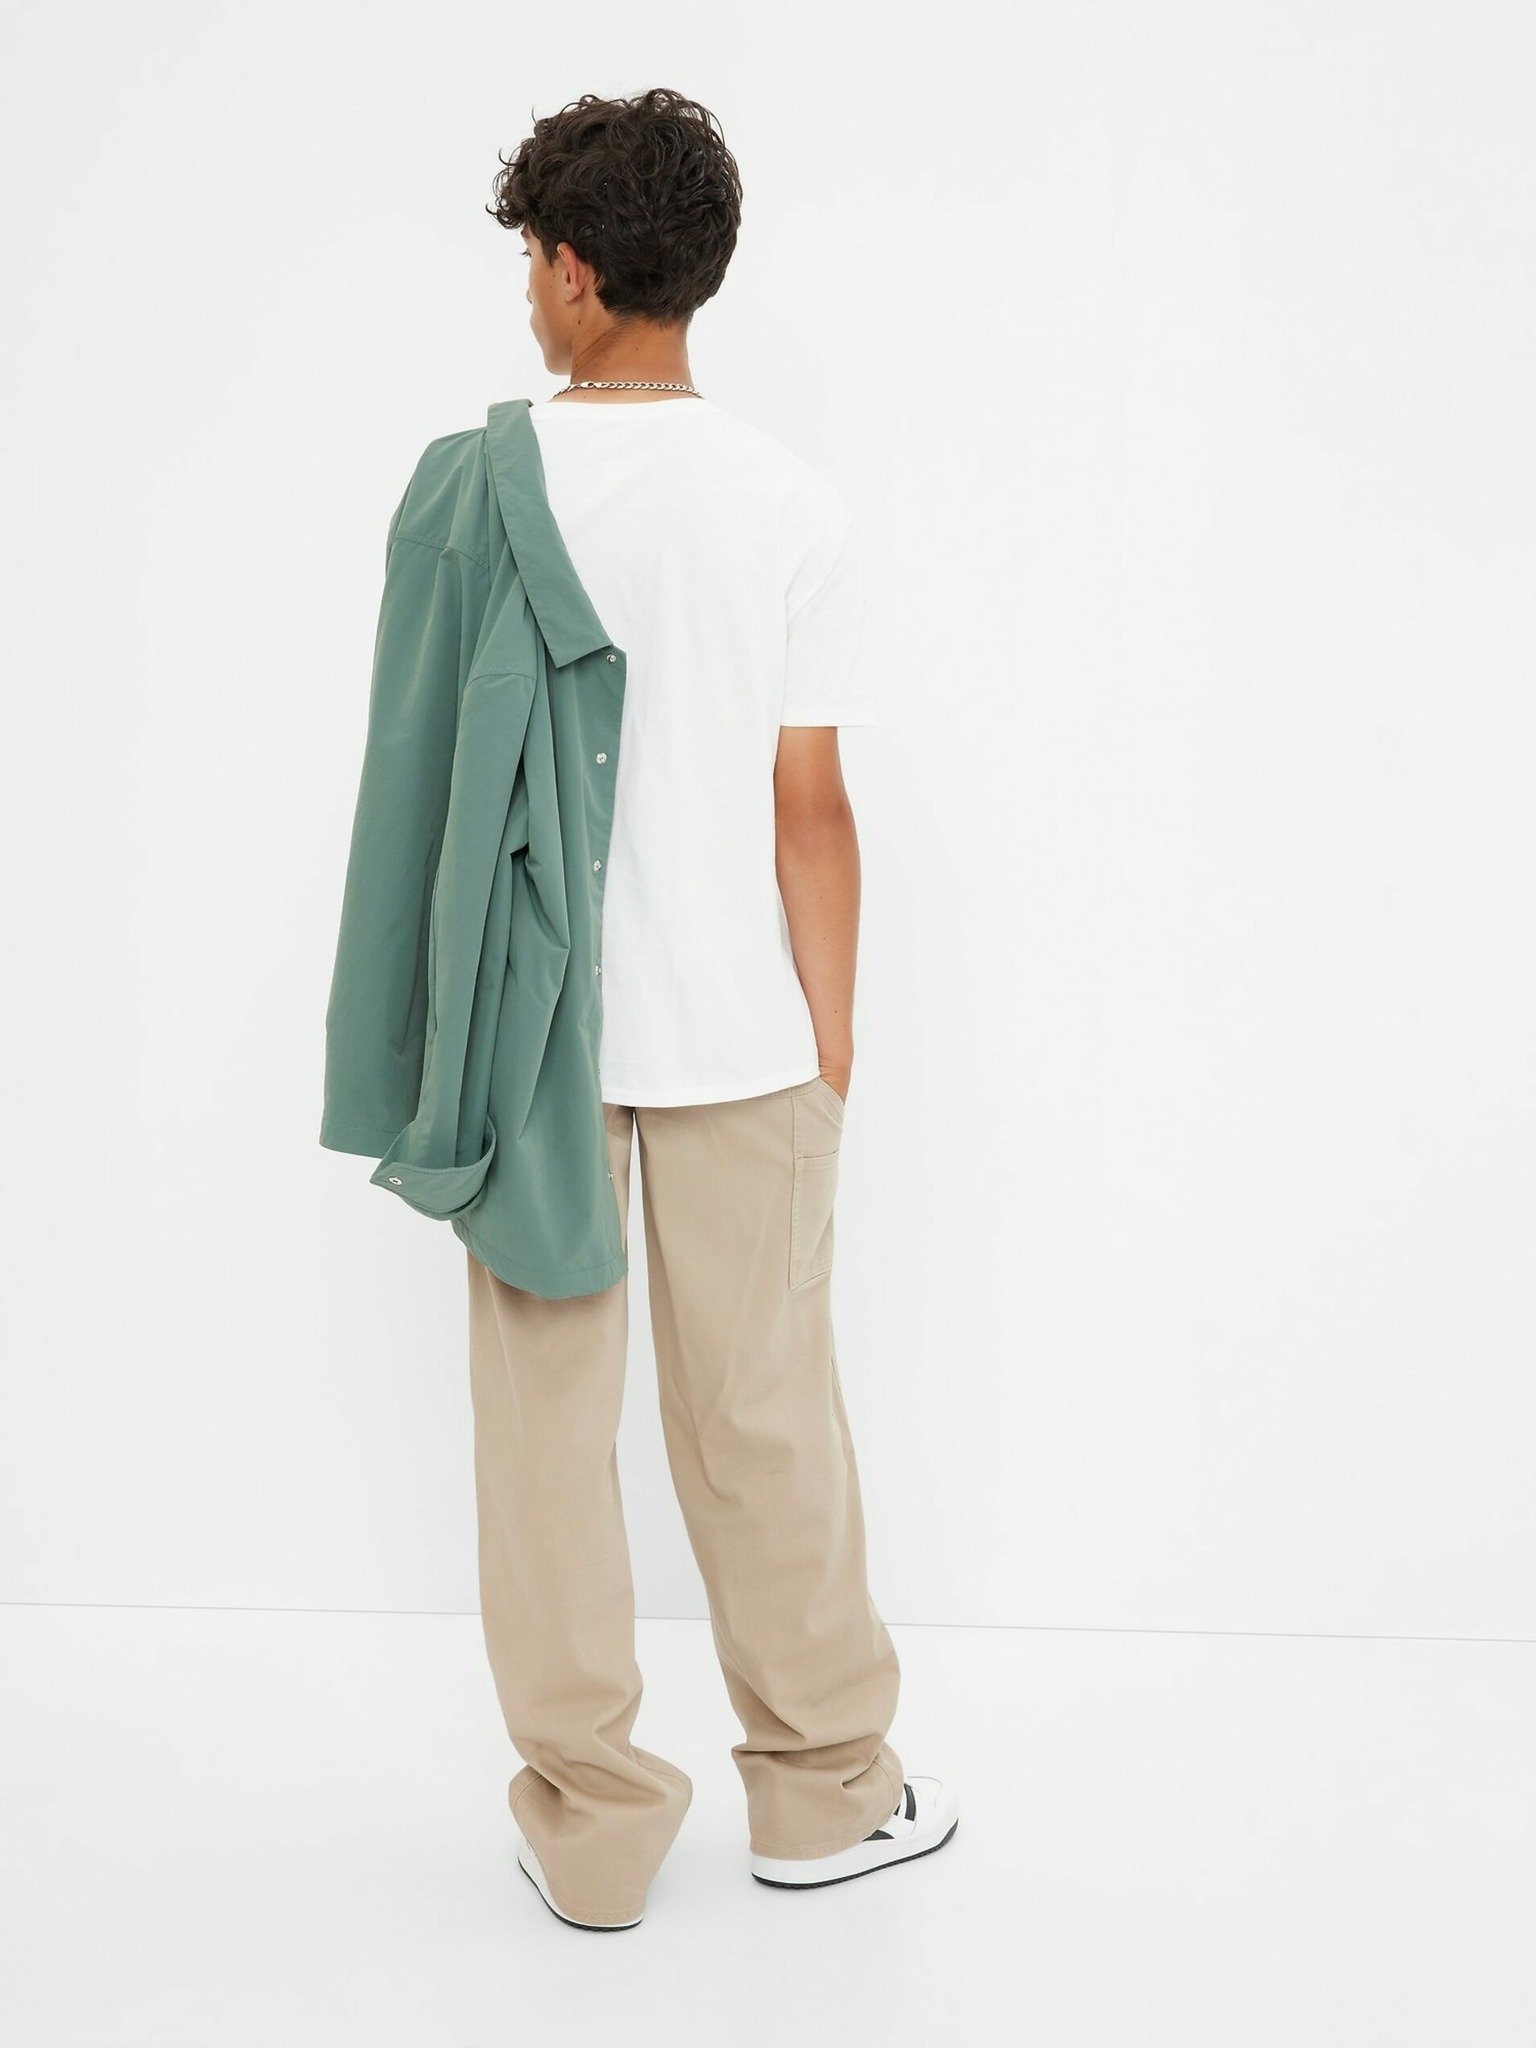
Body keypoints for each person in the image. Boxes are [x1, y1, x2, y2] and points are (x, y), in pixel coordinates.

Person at [451, 87, 956, 1930]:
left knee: (545, 1439)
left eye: (534, 260)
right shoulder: (791, 506)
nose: (529, 294)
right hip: (742, 1027)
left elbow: (434, 791)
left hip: (533, 1044)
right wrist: (834, 1033)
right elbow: (808, 806)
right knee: (765, 1417)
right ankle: (823, 1794)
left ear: (577, 271)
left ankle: (591, 1834)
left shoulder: (479, 487)